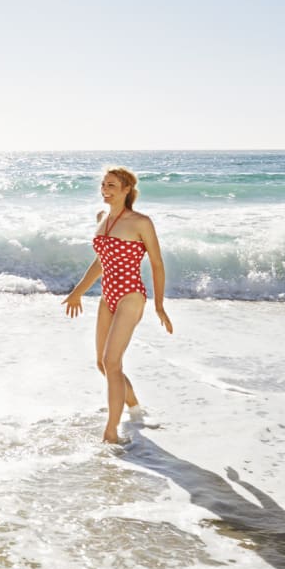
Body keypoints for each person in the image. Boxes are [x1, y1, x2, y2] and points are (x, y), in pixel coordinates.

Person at [63, 167, 173, 444]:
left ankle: (111, 432)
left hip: (130, 295)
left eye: (111, 185)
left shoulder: (141, 222)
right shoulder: (102, 218)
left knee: (112, 362)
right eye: (103, 185)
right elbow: (101, 262)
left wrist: (159, 305)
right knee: (103, 363)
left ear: (126, 189)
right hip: (107, 295)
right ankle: (134, 406)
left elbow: (157, 264)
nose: (105, 190)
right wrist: (77, 292)